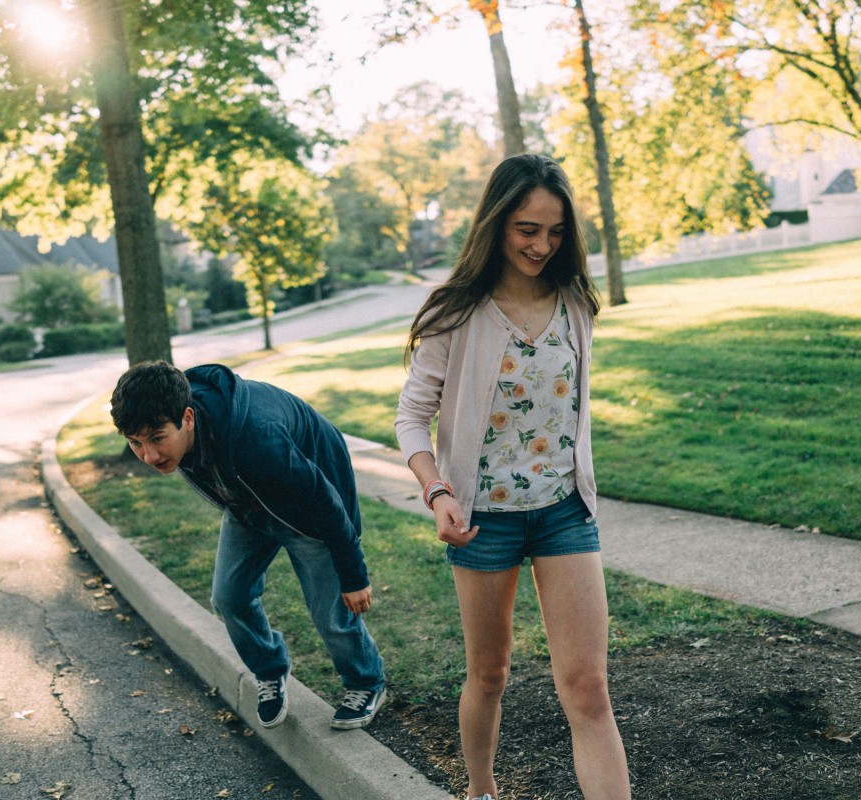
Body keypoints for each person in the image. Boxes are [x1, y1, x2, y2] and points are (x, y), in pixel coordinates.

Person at [395, 153, 631, 800]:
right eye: (527, 229)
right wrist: (437, 491)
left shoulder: (576, 303)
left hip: (563, 513)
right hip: (482, 523)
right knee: (490, 674)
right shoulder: (455, 312)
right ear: (497, 223)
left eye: (555, 232)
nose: (542, 245)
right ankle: (481, 789)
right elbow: (412, 419)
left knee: (587, 687)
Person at [109, 361, 386, 731]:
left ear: (187, 418)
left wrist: (353, 575)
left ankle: (367, 682)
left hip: (308, 512)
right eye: (135, 443)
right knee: (229, 596)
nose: (149, 456)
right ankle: (271, 670)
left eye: (157, 439)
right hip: (248, 506)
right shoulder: (175, 422)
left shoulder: (258, 437)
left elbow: (325, 500)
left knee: (330, 613)